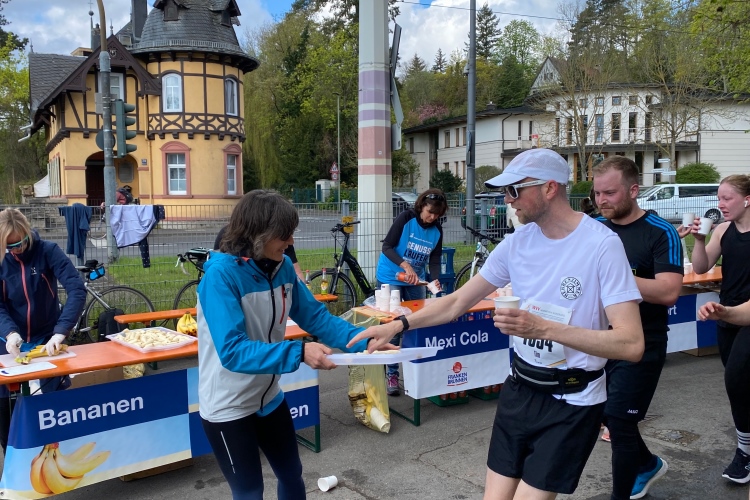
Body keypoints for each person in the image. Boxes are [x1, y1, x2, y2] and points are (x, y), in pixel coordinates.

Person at [349, 148, 644, 499]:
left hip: (573, 399)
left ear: (550, 188)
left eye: (514, 190)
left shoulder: (602, 245)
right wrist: (397, 325)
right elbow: (456, 302)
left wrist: (543, 329)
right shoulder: (516, 243)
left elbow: (631, 344)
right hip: (520, 388)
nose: (507, 200)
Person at [197, 190, 376, 499]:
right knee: (250, 491)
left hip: (268, 398)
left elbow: (317, 318)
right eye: (284, 235)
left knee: (292, 474)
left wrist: (367, 342)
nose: (291, 241)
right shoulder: (220, 277)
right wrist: (300, 351)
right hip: (228, 406)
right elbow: (233, 351)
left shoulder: (280, 268)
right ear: (257, 235)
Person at [592, 156, 684, 500]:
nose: (602, 200)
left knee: (619, 420)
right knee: (603, 415)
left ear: (633, 190)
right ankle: (646, 465)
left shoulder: (661, 231)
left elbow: (669, 292)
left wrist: (616, 277)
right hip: (599, 337)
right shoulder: (593, 226)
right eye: (597, 193)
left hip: (643, 341)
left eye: (610, 193)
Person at [0, 208, 86, 455]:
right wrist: (9, 332)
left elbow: (76, 289)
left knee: (54, 402)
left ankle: (58, 454)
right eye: (10, 246)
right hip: (9, 340)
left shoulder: (48, 251)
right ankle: (13, 458)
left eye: (21, 242)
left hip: (46, 336)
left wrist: (60, 331)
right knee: (5, 407)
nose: (17, 249)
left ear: (28, 233)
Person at [686, 174, 750, 483]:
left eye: (727, 198)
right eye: (718, 198)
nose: (720, 204)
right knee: (739, 386)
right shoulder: (723, 230)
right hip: (726, 314)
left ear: (747, 200)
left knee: (736, 379)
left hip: (746, 316)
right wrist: (699, 240)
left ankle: (744, 454)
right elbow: (701, 267)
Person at [375, 188, 448, 395]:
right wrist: (405, 265)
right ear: (421, 205)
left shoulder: (437, 230)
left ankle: (417, 371)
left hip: (416, 280)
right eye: (430, 212)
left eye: (437, 215)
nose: (432, 218)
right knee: (395, 325)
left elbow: (435, 258)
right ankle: (391, 373)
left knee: (417, 322)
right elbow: (387, 247)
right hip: (392, 276)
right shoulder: (406, 218)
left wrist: (435, 278)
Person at [214, 225, 305, 282]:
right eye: (284, 235)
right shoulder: (223, 273)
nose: (291, 241)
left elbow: (297, 273)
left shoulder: (285, 261)